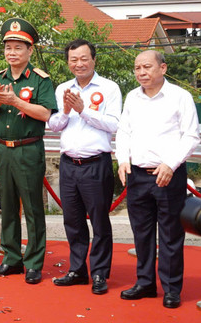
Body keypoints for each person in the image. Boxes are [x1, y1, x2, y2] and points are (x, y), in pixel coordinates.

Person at [116, 49, 200, 309]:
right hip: (137, 175)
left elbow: (191, 135)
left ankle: (172, 288)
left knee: (171, 235)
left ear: (162, 68)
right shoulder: (132, 97)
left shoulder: (180, 97)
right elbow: (123, 131)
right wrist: (121, 159)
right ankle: (145, 282)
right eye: (137, 68)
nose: (141, 72)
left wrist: (171, 164)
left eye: (147, 67)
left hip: (168, 175)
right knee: (141, 233)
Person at [0, 18, 56, 285]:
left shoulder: (40, 80)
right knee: (7, 206)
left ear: (30, 50)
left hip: (28, 148)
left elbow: (45, 113)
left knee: (33, 208)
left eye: (18, 48)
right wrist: (0, 104)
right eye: (8, 48)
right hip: (3, 149)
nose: (12, 53)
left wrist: (16, 101)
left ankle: (34, 262)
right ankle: (11, 258)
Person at [47, 39, 121, 295]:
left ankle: (100, 273)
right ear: (68, 62)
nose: (78, 64)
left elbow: (114, 125)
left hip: (96, 164)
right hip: (69, 164)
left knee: (99, 221)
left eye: (83, 59)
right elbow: (54, 125)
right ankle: (77, 269)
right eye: (73, 60)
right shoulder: (62, 88)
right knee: (73, 221)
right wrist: (66, 111)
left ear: (94, 59)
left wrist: (84, 110)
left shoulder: (109, 88)